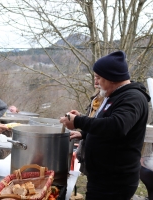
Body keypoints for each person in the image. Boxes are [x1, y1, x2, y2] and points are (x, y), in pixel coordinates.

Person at [60, 51, 151, 200]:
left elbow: (117, 126)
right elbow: (105, 122)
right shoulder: (114, 95)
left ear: (112, 78)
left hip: (114, 181)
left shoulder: (133, 98)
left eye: (99, 77)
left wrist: (77, 121)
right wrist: (84, 132)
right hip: (102, 176)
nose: (96, 82)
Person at [73, 80, 104, 175]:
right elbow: (93, 121)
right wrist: (82, 133)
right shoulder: (96, 98)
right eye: (95, 76)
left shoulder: (109, 99)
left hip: (99, 160)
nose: (96, 80)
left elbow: (105, 126)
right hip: (87, 155)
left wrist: (78, 121)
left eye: (99, 77)